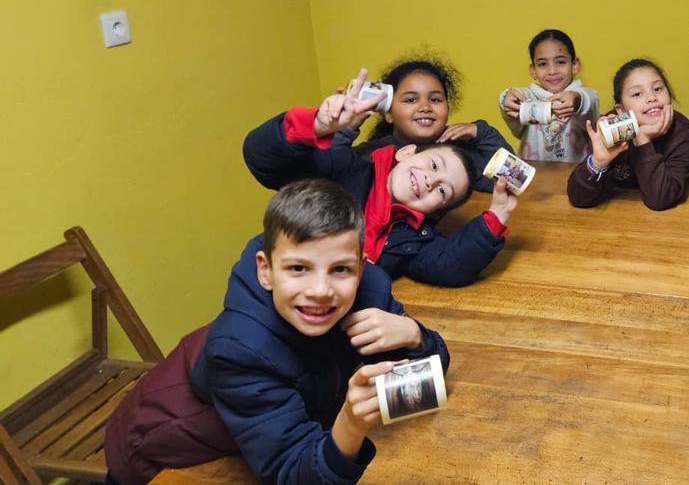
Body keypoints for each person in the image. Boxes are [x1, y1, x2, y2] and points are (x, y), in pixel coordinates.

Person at [105, 179, 450, 484]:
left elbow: (429, 379)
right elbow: (291, 472)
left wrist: (415, 335)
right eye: (299, 268)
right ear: (265, 271)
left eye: (340, 269)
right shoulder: (239, 351)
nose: (320, 290)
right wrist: (350, 424)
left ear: (361, 268)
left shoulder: (369, 291)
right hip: (156, 450)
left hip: (277, 425)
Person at [245, 69, 515, 286]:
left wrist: (497, 215)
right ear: (405, 152)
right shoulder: (348, 167)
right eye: (433, 165)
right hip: (278, 288)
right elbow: (264, 161)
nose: (431, 181)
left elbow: (447, 265)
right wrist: (318, 125)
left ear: (434, 212)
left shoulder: (411, 238)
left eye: (443, 192)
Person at [336, 56, 513, 192]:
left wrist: (481, 132)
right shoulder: (372, 155)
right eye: (411, 100)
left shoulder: (456, 154)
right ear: (388, 113)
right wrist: (344, 129)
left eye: (435, 99)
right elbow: (327, 174)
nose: (425, 107)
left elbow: (512, 178)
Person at [567, 59, 689, 210]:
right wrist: (598, 162)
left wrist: (643, 139)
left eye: (657, 89)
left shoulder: (684, 133)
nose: (652, 98)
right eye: (637, 94)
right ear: (621, 110)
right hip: (622, 212)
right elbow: (578, 199)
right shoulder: (612, 129)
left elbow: (660, 199)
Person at [499, 29, 599, 162]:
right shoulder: (529, 98)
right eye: (542, 64)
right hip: (534, 177)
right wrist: (506, 98)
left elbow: (589, 101)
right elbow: (516, 97)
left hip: (577, 178)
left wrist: (577, 100)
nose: (552, 71)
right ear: (533, 71)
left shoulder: (583, 96)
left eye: (561, 62)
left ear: (574, 65)